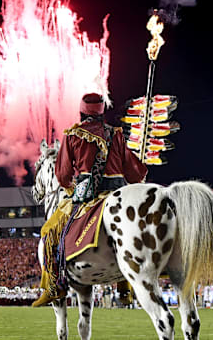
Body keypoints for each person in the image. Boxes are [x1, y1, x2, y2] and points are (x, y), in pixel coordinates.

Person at [33, 93, 148, 307]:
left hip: (87, 194)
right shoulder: (116, 134)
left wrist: (70, 188)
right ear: (102, 111)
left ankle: (53, 286)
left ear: (82, 111)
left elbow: (63, 175)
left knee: (50, 232)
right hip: (118, 192)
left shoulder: (73, 135)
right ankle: (125, 286)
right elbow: (135, 174)